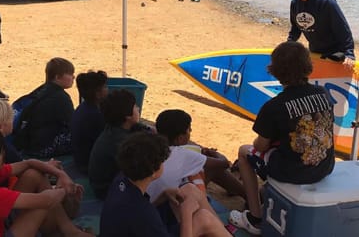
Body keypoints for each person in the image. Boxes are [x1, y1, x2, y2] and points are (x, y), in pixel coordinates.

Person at [228, 41, 335, 235]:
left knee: (244, 152)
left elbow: (260, 146)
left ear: (275, 71)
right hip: (324, 166)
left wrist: (256, 146)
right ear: (307, 65)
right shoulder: (323, 93)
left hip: (293, 172)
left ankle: (255, 218)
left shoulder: (274, 106)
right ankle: (267, 194)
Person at [0, 127, 93, 237]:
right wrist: (63, 188)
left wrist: (60, 174)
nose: (4, 154)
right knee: (42, 204)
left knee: (33, 175)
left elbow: (29, 163)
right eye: (1, 151)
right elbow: (46, 201)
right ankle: (67, 230)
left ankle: (68, 230)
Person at [100, 131, 232, 237]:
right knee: (204, 219)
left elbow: (133, 214)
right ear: (153, 171)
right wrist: (186, 213)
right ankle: (219, 230)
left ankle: (222, 231)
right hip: (148, 226)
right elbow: (140, 215)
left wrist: (163, 195)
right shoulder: (145, 214)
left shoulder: (122, 180)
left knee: (189, 189)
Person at [148, 109, 246, 202]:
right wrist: (214, 153)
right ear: (180, 138)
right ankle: (248, 196)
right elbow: (224, 163)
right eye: (189, 129)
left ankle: (238, 191)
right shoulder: (182, 154)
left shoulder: (148, 143)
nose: (191, 130)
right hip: (166, 204)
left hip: (149, 198)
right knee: (210, 169)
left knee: (201, 166)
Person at [284, 0, 355, 68]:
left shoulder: (325, 0)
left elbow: (342, 28)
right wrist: (288, 45)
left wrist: (349, 53)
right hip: (315, 51)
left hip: (335, 53)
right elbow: (295, 28)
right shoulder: (295, 3)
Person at [13, 57, 75, 158]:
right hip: (42, 148)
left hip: (28, 144)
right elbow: (72, 123)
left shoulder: (41, 90)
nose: (73, 77)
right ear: (57, 77)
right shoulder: (61, 97)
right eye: (70, 74)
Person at [88, 89, 139, 199]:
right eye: (135, 106)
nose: (138, 108)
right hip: (106, 189)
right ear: (127, 116)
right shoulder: (121, 141)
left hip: (102, 183)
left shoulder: (114, 128)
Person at [71, 70, 108, 173]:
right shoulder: (95, 115)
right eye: (105, 87)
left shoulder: (84, 108)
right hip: (88, 165)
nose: (107, 89)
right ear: (97, 93)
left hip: (81, 160)